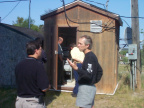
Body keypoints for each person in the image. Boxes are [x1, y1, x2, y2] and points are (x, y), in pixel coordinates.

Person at [67, 35, 103, 108]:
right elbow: (99, 70)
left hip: (86, 88)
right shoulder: (88, 56)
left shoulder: (90, 57)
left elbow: (88, 75)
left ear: (87, 45)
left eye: (80, 44)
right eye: (78, 43)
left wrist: (76, 68)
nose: (78, 45)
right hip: (88, 87)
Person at [15, 40, 50, 108]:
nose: (41, 51)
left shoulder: (18, 65)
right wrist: (49, 86)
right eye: (40, 49)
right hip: (33, 103)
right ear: (36, 51)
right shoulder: (38, 66)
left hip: (19, 102)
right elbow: (44, 88)